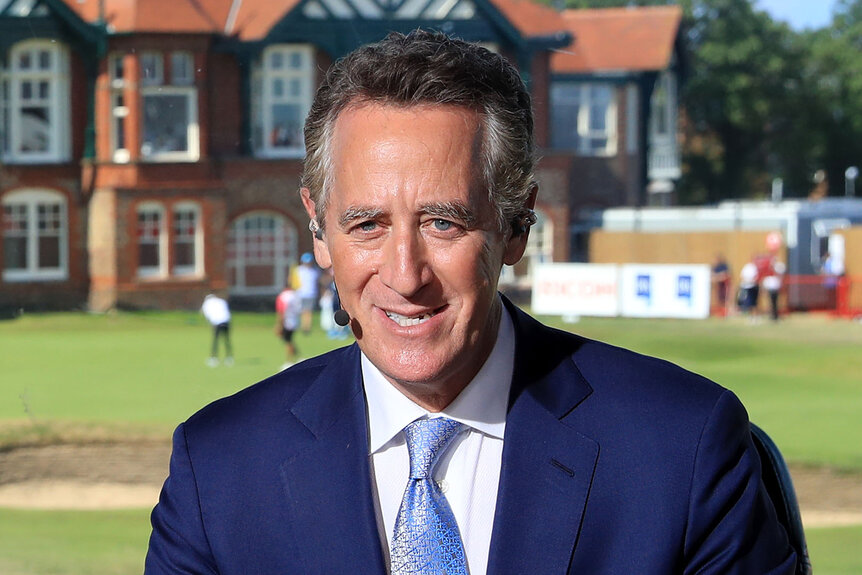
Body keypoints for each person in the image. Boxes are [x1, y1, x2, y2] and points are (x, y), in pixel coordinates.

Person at [146, 31, 796, 574]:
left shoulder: (682, 448)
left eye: (443, 223)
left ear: (517, 225)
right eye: (367, 224)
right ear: (318, 228)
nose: (405, 275)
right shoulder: (219, 470)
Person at [275, 275, 302, 370]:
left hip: (287, 321)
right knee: (290, 340)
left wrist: (279, 324)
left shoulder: (282, 297)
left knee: (287, 341)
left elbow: (281, 312)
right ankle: (299, 357)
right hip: (295, 320)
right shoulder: (295, 295)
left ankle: (289, 361)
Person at [200, 293, 233, 367]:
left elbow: (205, 314)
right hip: (226, 321)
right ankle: (229, 358)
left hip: (217, 322)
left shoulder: (207, 303)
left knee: (215, 341)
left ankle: (214, 358)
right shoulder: (221, 301)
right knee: (227, 340)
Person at [296, 251, 320, 334]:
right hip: (300, 294)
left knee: (308, 311)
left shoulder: (315, 271)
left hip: (311, 294)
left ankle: (306, 327)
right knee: (301, 311)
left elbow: (318, 282)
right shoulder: (298, 270)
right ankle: (302, 326)